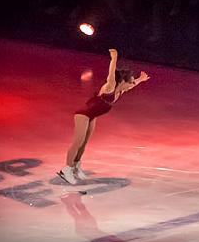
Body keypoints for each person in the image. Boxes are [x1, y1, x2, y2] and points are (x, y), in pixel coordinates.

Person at [58, 49, 151, 184]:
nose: (131, 84)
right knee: (78, 142)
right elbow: (111, 74)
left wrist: (140, 80)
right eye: (129, 82)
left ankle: (76, 167)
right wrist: (114, 59)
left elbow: (132, 85)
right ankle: (66, 169)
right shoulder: (110, 87)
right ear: (122, 81)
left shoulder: (121, 91)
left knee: (83, 144)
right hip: (83, 114)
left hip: (92, 116)